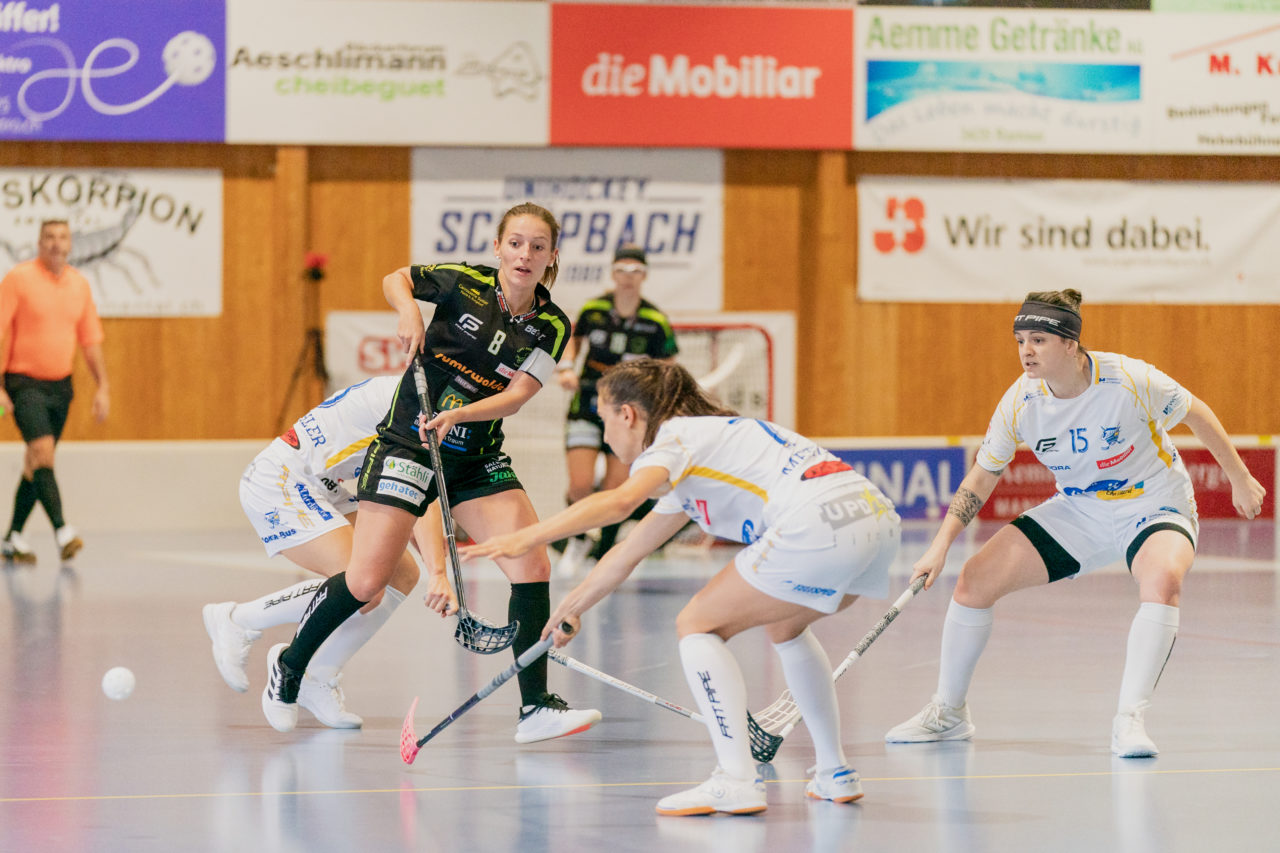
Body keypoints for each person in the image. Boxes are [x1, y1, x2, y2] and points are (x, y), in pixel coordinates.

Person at [463, 359, 902, 816]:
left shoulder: (674, 440)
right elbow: (627, 552)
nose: (606, 433)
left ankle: (737, 778)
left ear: (628, 414)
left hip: (815, 526)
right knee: (786, 629)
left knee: (696, 625)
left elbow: (620, 502)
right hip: (875, 521)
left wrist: (525, 537)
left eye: (603, 417)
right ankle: (834, 772)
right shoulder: (707, 444)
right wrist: (570, 610)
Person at [259, 202, 601, 744]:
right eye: (516, 243)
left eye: (538, 247)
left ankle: (535, 706)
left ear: (552, 257)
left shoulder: (553, 324)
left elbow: (516, 397)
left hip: (476, 455)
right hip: (408, 443)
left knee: (531, 562)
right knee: (366, 581)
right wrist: (410, 311)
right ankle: (290, 667)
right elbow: (395, 278)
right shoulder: (463, 282)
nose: (525, 255)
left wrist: (460, 416)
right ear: (498, 247)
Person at [884, 289, 1266, 758]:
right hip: (1080, 510)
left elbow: (1196, 412)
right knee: (973, 580)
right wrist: (940, 544)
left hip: (1153, 504)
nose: (1026, 350)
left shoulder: (1129, 379)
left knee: (1162, 579)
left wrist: (1240, 478)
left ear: (1071, 345)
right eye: (1021, 339)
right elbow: (983, 475)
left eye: (1039, 339)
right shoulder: (1021, 402)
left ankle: (1129, 720)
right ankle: (948, 713)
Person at [202, 374, 457, 729]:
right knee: (365, 586)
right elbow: (417, 495)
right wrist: (439, 573)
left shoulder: (446, 405)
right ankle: (238, 620)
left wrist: (435, 567)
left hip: (324, 485)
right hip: (283, 478)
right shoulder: (415, 403)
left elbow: (419, 494)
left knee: (402, 573)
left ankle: (318, 677)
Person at [554, 244, 678, 577]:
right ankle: (578, 539)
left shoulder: (655, 321)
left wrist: (659, 405)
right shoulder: (594, 309)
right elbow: (572, 339)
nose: (628, 278)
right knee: (579, 484)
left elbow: (668, 368)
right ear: (612, 273)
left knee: (615, 487)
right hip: (588, 404)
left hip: (628, 414)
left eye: (635, 272)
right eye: (622, 270)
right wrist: (566, 367)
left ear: (644, 276)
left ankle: (602, 553)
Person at [0, 219, 109, 564]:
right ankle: (63, 530)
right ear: (39, 242)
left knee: (37, 463)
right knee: (43, 452)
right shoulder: (19, 279)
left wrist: (103, 386)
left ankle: (12, 537)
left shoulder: (79, 285)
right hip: (23, 382)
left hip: (60, 387)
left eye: (62, 238)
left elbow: (90, 341)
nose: (55, 244)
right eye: (49, 237)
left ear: (71, 244)